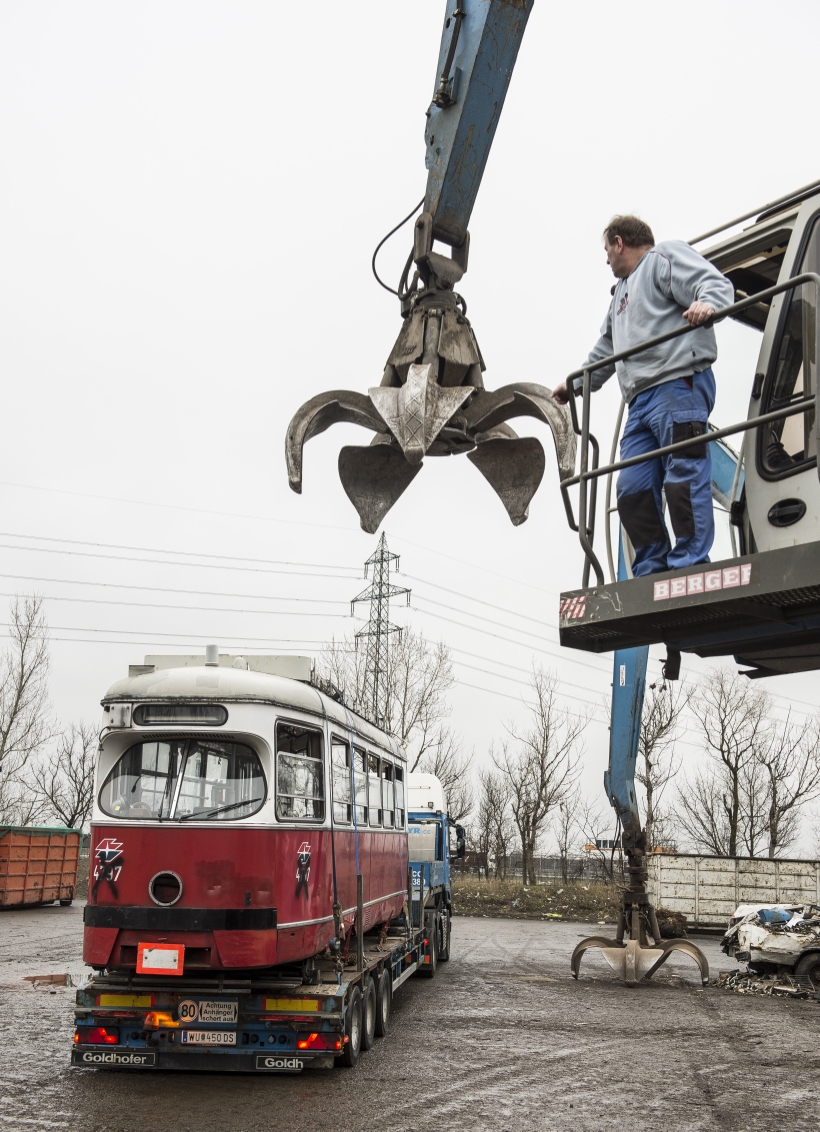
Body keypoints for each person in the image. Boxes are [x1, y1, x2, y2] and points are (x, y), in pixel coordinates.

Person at [553, 216, 735, 577]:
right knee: (631, 486)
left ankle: (689, 564)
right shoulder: (619, 295)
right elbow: (606, 349)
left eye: (607, 250)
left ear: (619, 243)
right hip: (639, 403)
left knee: (682, 475)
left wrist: (707, 304)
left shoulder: (662, 259)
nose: (606, 259)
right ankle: (652, 567)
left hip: (676, 384)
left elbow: (711, 282)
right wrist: (575, 385)